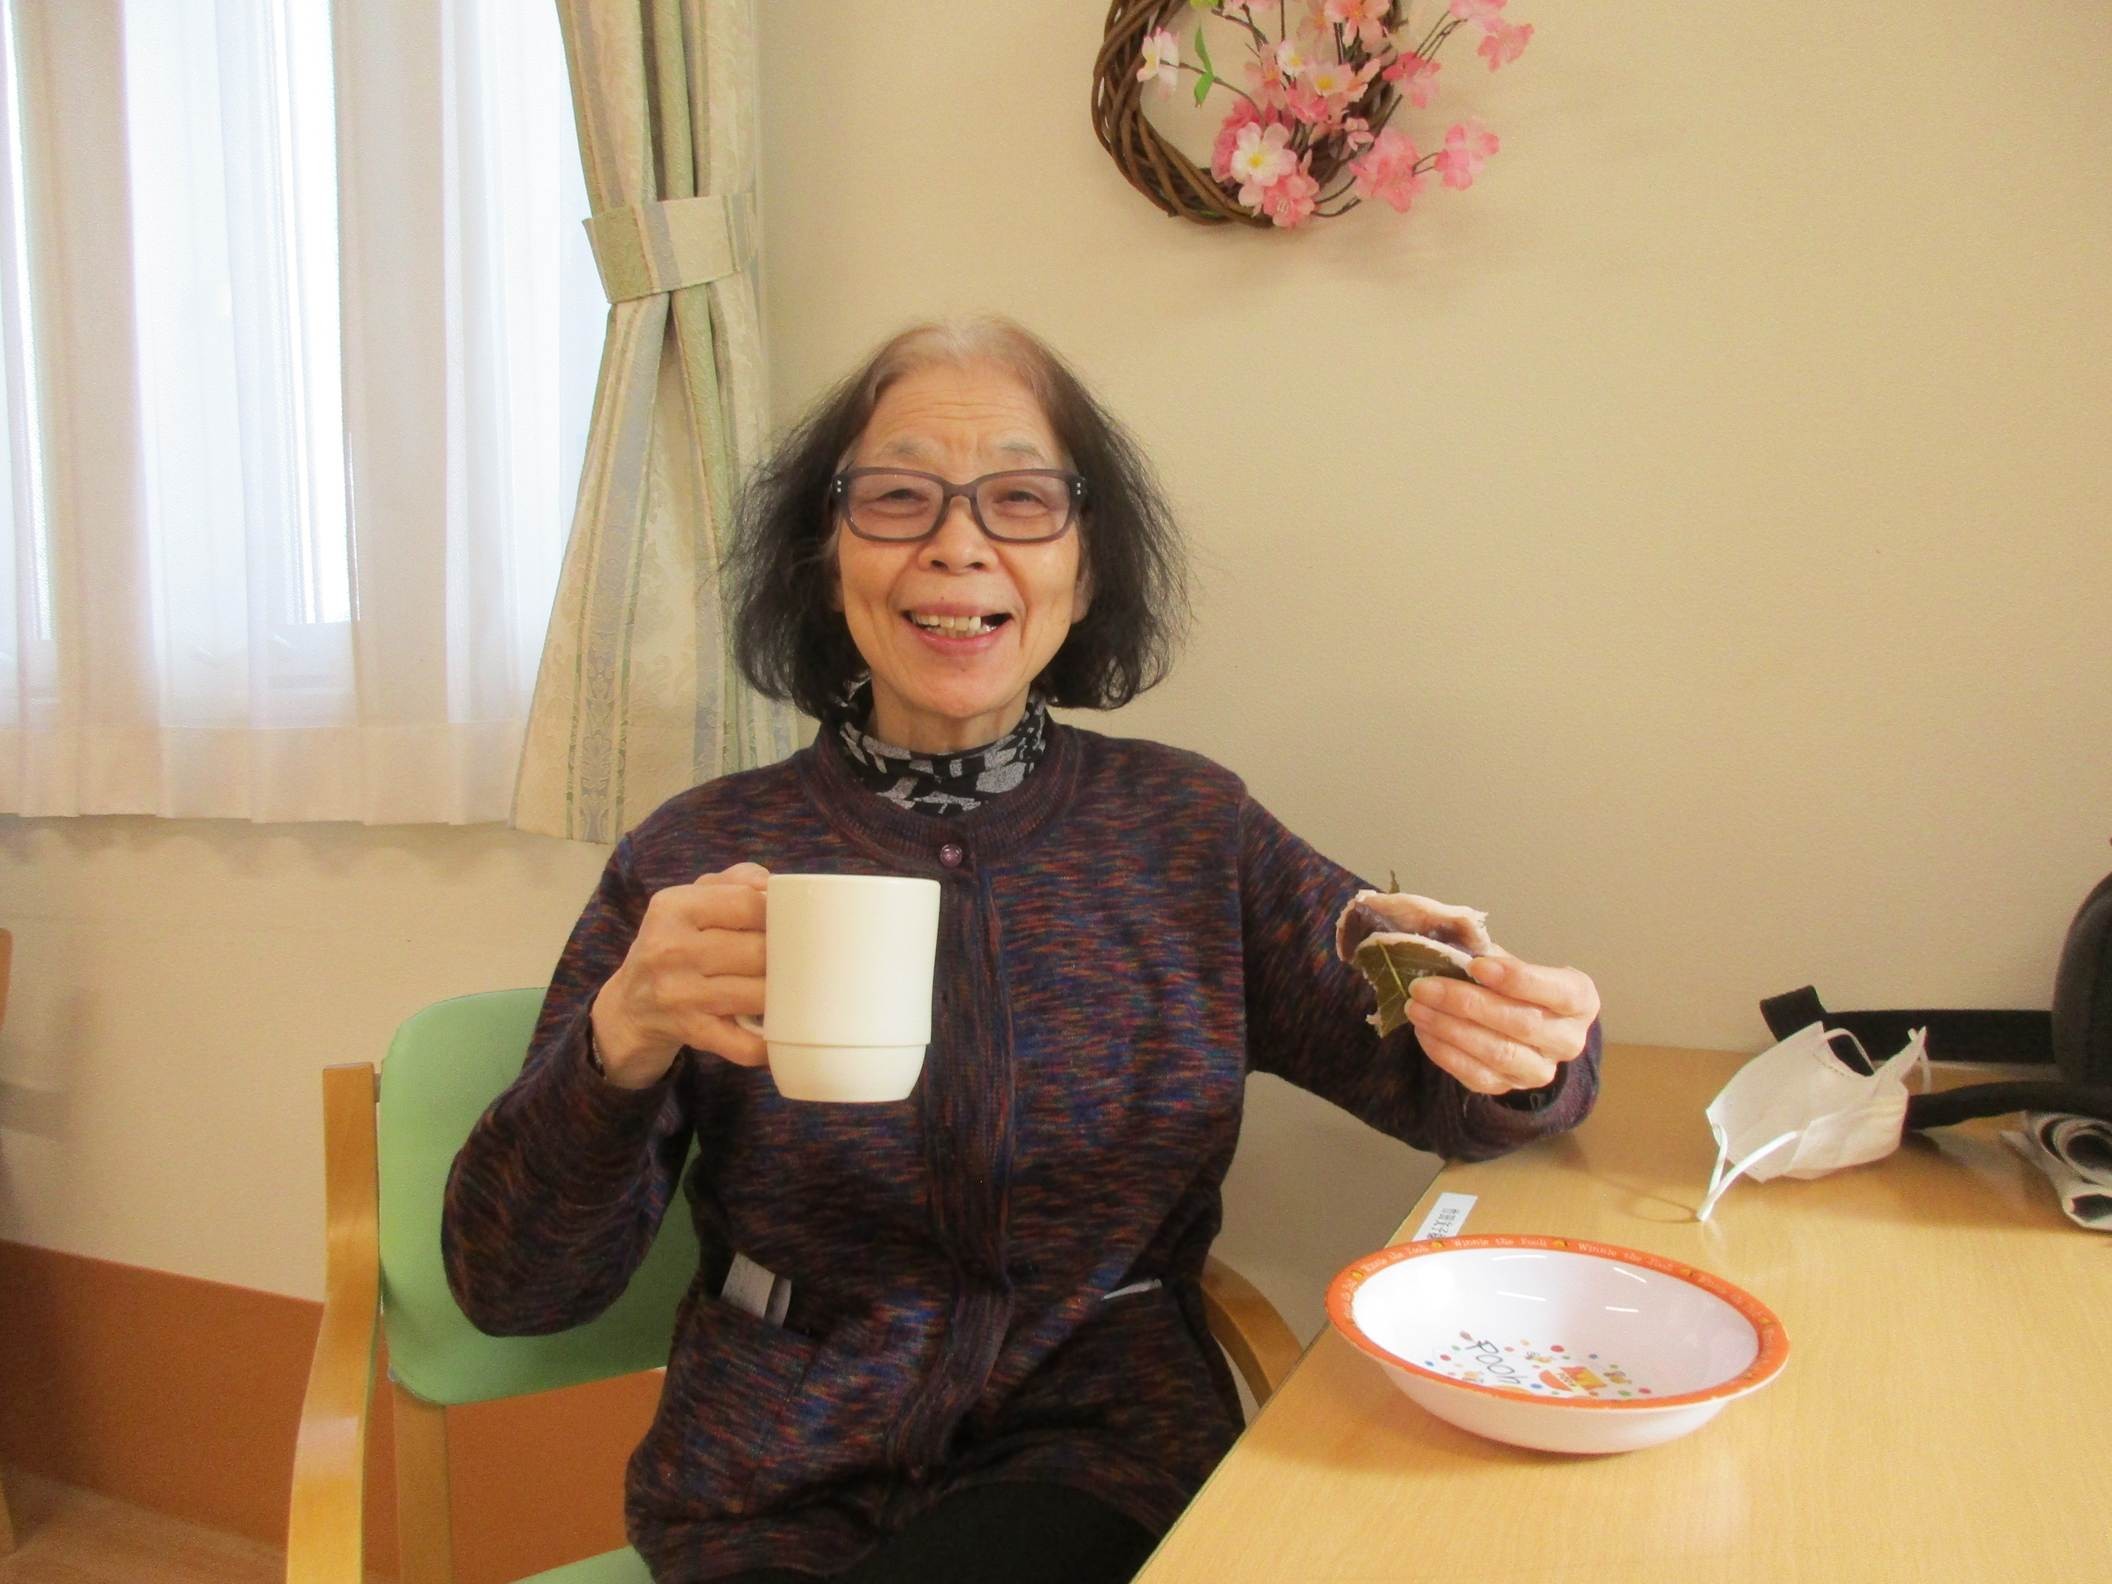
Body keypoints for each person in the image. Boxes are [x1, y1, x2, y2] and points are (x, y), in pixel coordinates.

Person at [442, 319, 1602, 1584]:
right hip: (767, 1480)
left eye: (1020, 498)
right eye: (895, 498)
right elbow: (516, 1288)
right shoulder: (702, 854)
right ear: (824, 558)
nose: (957, 541)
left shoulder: (1187, 831)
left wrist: (1534, 1044)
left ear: (1086, 568)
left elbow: (1446, 1082)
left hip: (1095, 1451)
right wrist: (616, 1045)